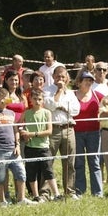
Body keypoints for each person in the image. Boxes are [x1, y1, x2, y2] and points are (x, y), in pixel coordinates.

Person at [0, 88, 35, 206]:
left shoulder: (11, 113)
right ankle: (2, 201)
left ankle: (21, 199)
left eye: (6, 98)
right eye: (1, 98)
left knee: (21, 173)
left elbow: (15, 130)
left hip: (13, 148)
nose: (4, 101)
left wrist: (17, 144)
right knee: (0, 176)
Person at [43, 65, 80, 198]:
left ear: (67, 78)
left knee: (70, 162)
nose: (60, 79)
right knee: (48, 162)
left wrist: (62, 107)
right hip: (53, 130)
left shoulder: (70, 93)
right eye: (58, 76)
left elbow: (76, 110)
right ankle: (45, 193)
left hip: (68, 129)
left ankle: (69, 191)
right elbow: (49, 105)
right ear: (53, 77)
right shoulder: (47, 90)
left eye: (63, 77)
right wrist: (58, 92)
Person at [19, 89, 63, 202]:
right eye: (35, 99)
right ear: (30, 100)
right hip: (30, 148)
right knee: (31, 172)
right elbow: (18, 125)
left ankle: (57, 194)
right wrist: (23, 132)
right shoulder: (26, 113)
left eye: (40, 99)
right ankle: (36, 195)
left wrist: (32, 134)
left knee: (48, 171)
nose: (37, 101)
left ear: (43, 100)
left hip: (44, 147)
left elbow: (49, 131)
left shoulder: (47, 113)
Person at [74, 71, 104, 197]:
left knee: (95, 162)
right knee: (79, 163)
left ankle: (97, 192)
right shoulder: (72, 95)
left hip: (94, 133)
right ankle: (80, 191)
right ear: (79, 82)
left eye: (90, 80)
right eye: (86, 80)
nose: (89, 83)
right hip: (76, 133)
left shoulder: (98, 96)